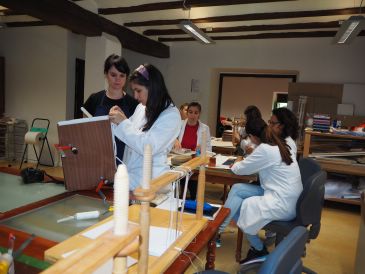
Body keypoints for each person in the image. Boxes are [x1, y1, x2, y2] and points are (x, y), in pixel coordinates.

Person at [217, 118, 302, 264]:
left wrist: (238, 160)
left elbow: (239, 169)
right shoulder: (283, 145)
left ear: (254, 137)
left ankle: (257, 248)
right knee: (237, 190)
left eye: (249, 137)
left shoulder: (265, 150)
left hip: (281, 203)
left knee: (241, 207)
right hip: (288, 197)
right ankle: (219, 229)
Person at [109, 63, 181, 191]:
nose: (135, 96)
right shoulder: (141, 108)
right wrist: (117, 119)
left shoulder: (171, 115)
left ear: (153, 88)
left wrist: (123, 122)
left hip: (153, 184)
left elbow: (148, 146)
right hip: (133, 180)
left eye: (138, 90)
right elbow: (130, 133)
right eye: (134, 91)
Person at [83, 54, 138, 163]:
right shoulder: (94, 99)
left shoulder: (133, 104)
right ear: (106, 74)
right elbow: (84, 130)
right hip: (96, 157)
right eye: (113, 75)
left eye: (122, 75)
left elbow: (137, 134)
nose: (117, 79)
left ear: (126, 77)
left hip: (125, 160)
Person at [173, 102, 212, 200]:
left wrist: (202, 149)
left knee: (193, 187)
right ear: (187, 113)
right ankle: (177, 201)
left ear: (199, 114)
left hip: (194, 163)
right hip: (179, 161)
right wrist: (175, 140)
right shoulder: (179, 125)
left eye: (196, 113)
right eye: (190, 112)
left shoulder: (205, 128)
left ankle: (192, 201)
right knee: (176, 185)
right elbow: (169, 139)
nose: (193, 115)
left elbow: (209, 149)